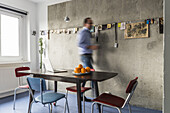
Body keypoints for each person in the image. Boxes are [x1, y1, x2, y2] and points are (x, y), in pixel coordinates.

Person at [77, 17, 98, 101]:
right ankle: (95, 96)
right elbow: (79, 43)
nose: (91, 25)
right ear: (85, 24)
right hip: (84, 55)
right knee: (91, 74)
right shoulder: (83, 32)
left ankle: (81, 94)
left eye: (92, 23)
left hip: (87, 55)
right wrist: (90, 46)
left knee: (86, 75)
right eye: (90, 23)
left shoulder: (88, 32)